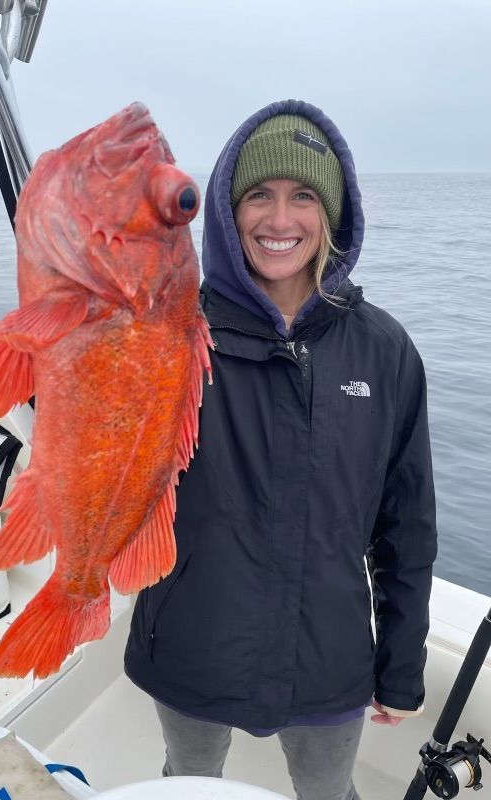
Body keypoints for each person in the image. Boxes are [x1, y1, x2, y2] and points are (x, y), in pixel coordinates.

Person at [124, 99, 438, 800]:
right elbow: (104, 445)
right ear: (228, 211)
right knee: (188, 784)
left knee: (328, 790)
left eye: (302, 197)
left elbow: (406, 526)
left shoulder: (385, 352)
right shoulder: (167, 333)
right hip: (190, 642)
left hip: (328, 659)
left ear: (330, 212)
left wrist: (400, 664)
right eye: (258, 195)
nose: (279, 219)